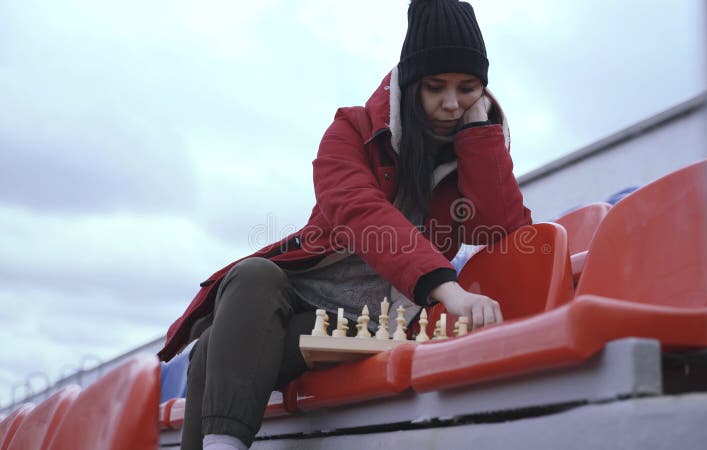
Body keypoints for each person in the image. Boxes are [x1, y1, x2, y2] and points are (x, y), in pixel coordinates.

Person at [161, 0, 532, 448]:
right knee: (251, 276)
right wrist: (444, 287)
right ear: (411, 83)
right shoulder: (351, 132)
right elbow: (361, 214)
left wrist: (480, 136)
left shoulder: (473, 150)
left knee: (214, 350)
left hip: (372, 325)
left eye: (468, 88)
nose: (451, 103)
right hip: (298, 299)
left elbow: (504, 233)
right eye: (435, 87)